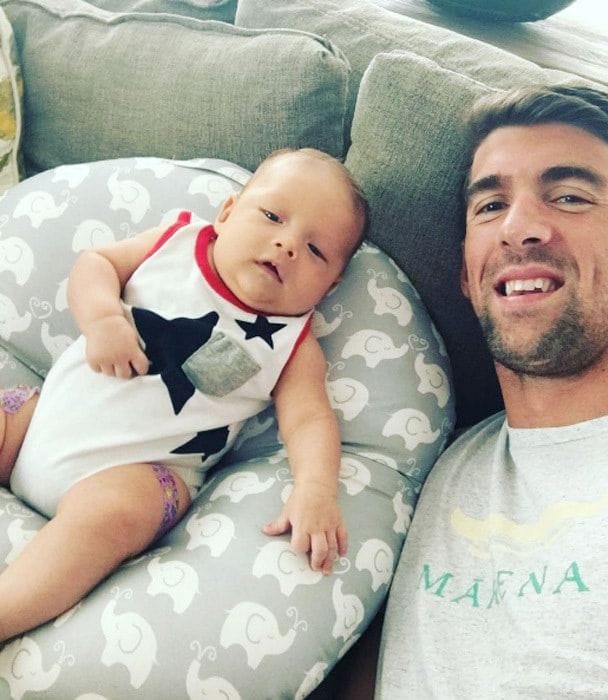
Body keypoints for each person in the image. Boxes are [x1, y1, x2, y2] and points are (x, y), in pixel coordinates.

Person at [376, 86, 608, 697]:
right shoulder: (436, 464)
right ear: (468, 278)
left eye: (570, 196)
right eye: (491, 206)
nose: (519, 228)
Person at [0, 147, 368, 643]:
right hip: (33, 427)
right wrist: (104, 318)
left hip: (137, 476)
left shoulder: (292, 345)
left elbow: (309, 421)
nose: (286, 245)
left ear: (331, 284)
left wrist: (315, 491)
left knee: (117, 514)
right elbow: (95, 263)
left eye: (316, 250)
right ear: (228, 211)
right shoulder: (174, 241)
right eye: (273, 216)